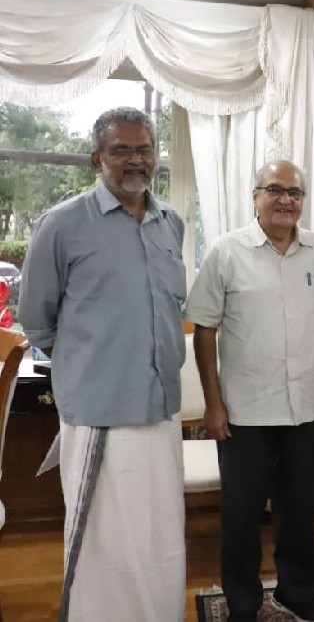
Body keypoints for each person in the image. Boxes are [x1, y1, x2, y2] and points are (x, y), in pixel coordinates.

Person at [18, 107, 187, 621]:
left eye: (144, 150)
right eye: (122, 150)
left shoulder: (170, 223)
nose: (135, 160)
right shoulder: (62, 224)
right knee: (105, 547)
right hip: (100, 414)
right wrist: (90, 363)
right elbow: (36, 320)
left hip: (161, 410)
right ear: (97, 158)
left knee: (158, 541)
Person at [184, 160, 314, 622]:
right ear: (255, 195)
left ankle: (299, 593)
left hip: (307, 408)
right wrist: (213, 404)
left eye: (295, 192)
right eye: (275, 189)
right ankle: (244, 604)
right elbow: (204, 331)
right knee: (242, 517)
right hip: (244, 412)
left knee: (301, 512)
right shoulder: (226, 252)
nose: (286, 199)